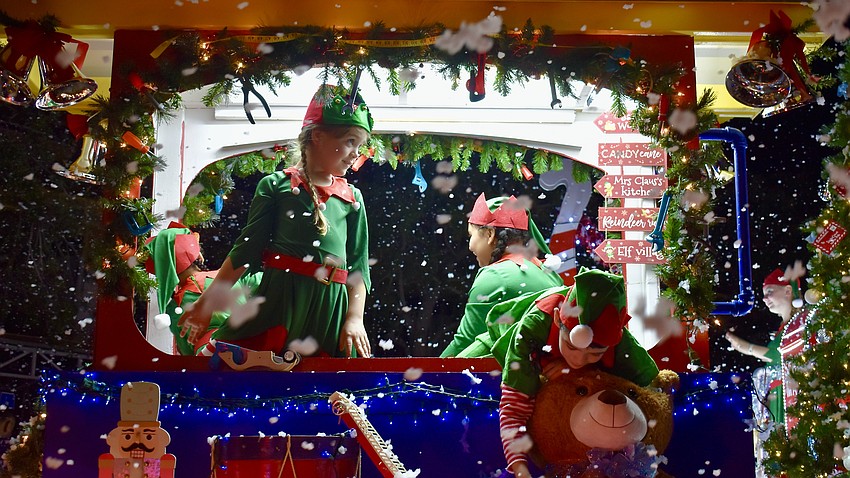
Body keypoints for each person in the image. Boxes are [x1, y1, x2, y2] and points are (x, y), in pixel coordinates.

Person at [179, 84, 374, 358]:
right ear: (317, 136)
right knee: (245, 371)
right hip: (282, 301)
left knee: (333, 385)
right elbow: (246, 251)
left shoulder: (352, 198)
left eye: (360, 145)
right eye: (350, 142)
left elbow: (358, 266)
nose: (356, 153)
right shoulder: (276, 186)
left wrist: (354, 318)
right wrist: (207, 304)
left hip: (332, 311)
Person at [459, 268, 659, 477]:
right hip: (502, 332)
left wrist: (570, 370)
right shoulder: (533, 328)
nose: (579, 360)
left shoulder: (621, 344)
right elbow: (514, 409)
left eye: (593, 355)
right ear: (557, 318)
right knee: (455, 366)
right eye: (571, 348)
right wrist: (519, 468)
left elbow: (651, 393)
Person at [440, 193, 563, 357]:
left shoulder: (493, 276)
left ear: (489, 235)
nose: (470, 246)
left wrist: (423, 377)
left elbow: (464, 344)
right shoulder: (548, 273)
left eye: (471, 236)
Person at [144, 222, 262, 355]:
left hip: (207, 359)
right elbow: (269, 284)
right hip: (249, 345)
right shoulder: (232, 276)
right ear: (198, 256)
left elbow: (187, 352)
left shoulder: (173, 309)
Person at [725, 268, 814, 427]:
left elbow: (781, 355)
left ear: (788, 290)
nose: (765, 299)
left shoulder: (803, 321)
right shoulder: (783, 328)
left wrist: (747, 348)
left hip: (794, 398)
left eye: (770, 291)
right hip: (779, 397)